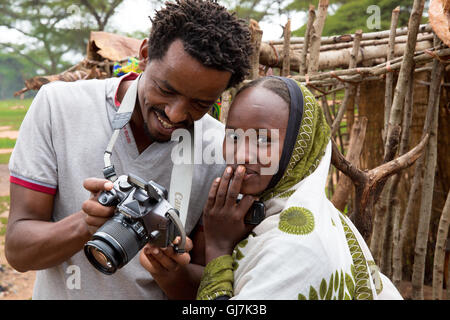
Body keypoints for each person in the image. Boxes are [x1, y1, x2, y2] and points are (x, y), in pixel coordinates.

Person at [5, 0, 252, 300]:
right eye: (166, 90)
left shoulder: (221, 150)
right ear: (145, 55)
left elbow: (208, 290)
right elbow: (19, 252)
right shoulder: (59, 106)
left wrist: (173, 273)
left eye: (200, 104)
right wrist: (85, 223)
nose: (174, 114)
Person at [192, 76, 403, 299]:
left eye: (263, 140)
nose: (242, 154)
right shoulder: (261, 215)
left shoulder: (298, 245)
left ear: (298, 149)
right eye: (233, 136)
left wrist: (218, 248)